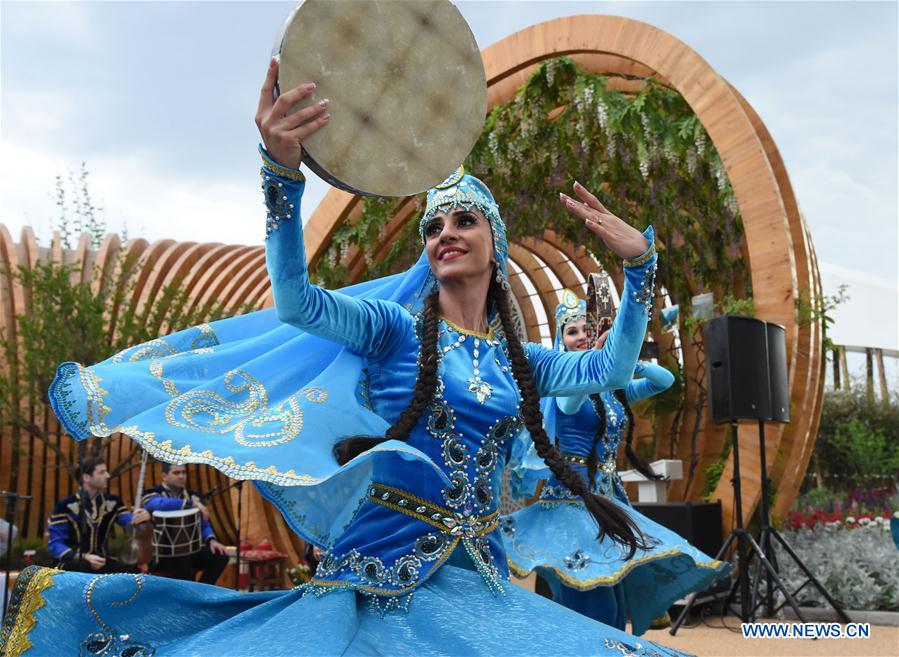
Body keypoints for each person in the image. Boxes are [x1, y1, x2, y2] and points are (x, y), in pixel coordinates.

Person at [2, 60, 689, 657]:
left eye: (462, 219)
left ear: (495, 243)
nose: (443, 232)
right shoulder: (390, 328)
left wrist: (639, 269)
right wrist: (281, 176)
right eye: (431, 224)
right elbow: (298, 302)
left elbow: (610, 369)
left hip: (480, 580)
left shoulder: (523, 360)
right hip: (380, 580)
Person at [504, 291, 731, 635]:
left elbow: (666, 381)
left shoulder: (612, 391)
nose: (581, 336)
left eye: (586, 329)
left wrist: (627, 361)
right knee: (592, 601)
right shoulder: (565, 384)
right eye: (572, 332)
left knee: (612, 597)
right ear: (560, 342)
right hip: (574, 501)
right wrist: (596, 356)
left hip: (609, 499)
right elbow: (567, 408)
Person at [46, 456, 150, 574]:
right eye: (102, 472)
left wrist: (143, 518)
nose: (108, 475)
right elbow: (55, 545)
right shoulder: (65, 506)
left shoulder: (113, 502)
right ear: (86, 477)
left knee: (135, 576)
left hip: (103, 562)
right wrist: (84, 557)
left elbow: (131, 525)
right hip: (72, 565)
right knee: (81, 568)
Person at [142, 463, 228, 584]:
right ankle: (190, 596)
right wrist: (191, 504)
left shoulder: (194, 496)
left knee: (220, 555)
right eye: (176, 473)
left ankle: (202, 591)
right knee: (182, 558)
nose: (181, 476)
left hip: (190, 552)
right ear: (164, 476)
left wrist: (212, 540)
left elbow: (203, 523)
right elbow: (160, 505)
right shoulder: (151, 493)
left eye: (184, 472)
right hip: (161, 555)